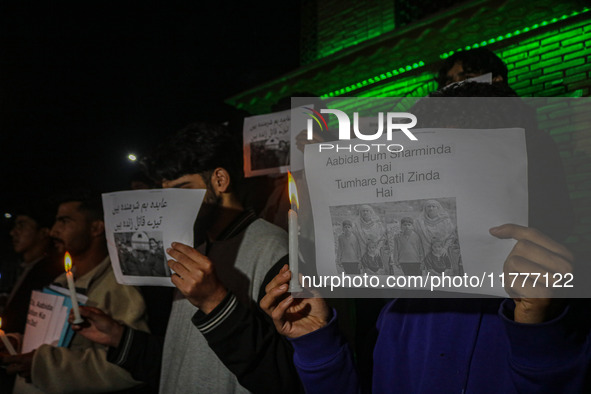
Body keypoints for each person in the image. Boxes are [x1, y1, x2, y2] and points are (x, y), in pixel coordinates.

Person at [259, 79, 589, 392]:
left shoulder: (556, 301)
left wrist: (539, 333)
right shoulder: (400, 311)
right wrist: (318, 344)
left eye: (458, 170)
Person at [70, 122, 301, 393]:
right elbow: (183, 359)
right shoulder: (194, 246)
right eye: (165, 195)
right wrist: (119, 337)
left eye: (181, 190)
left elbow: (286, 374)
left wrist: (215, 302)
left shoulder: (275, 249)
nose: (171, 206)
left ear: (219, 180)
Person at [1, 191, 149, 394]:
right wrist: (19, 343)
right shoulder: (60, 281)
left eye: (64, 221)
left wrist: (43, 365)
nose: (53, 232)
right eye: (55, 222)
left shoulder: (120, 289)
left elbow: (127, 367)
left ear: (96, 227)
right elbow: (54, 341)